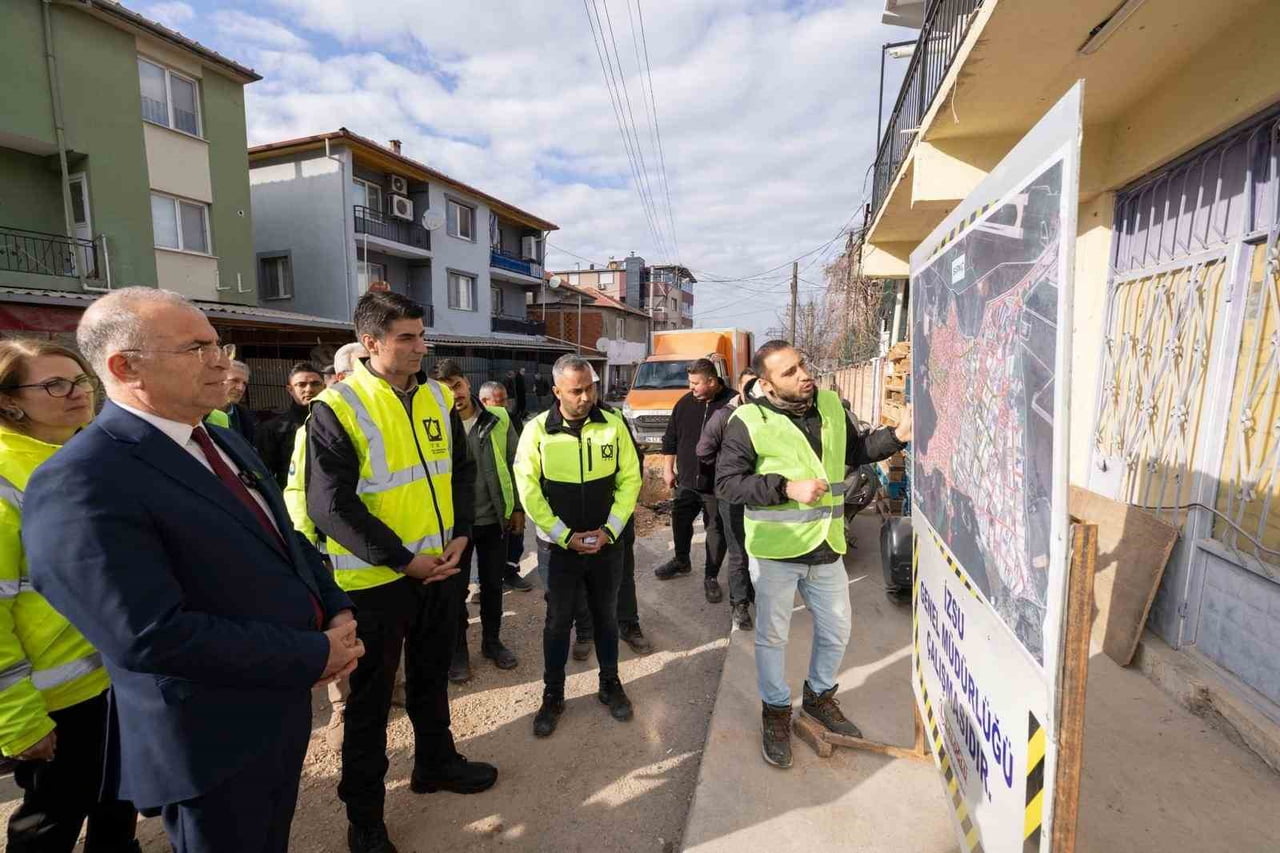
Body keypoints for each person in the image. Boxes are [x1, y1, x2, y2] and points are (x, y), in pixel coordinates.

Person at [22, 287, 362, 852]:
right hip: (210, 739)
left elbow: (285, 538)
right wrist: (311, 654)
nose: (222, 363)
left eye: (218, 346)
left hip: (275, 707)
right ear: (125, 366)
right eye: (197, 349)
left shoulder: (221, 439)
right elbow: (147, 633)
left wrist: (336, 606)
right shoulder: (81, 480)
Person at [304, 291, 493, 853]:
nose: (420, 346)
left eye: (421, 334)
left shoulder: (437, 396)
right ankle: (365, 818)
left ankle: (435, 764)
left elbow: (460, 472)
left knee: (432, 678)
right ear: (371, 343)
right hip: (375, 583)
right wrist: (404, 560)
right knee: (368, 704)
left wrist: (460, 534)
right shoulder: (337, 408)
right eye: (406, 338)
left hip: (440, 569)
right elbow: (330, 507)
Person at [715, 340, 911, 769]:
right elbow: (728, 484)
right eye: (790, 372)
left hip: (827, 545)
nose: (804, 374)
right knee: (772, 637)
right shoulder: (748, 420)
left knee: (837, 628)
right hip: (776, 553)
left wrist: (896, 437)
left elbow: (854, 451)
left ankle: (820, 698)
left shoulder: (830, 404)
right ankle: (776, 710)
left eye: (803, 365)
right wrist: (785, 487)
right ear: (767, 385)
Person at [0, 340, 140, 853]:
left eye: (81, 379)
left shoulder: (91, 455)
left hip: (118, 676)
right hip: (55, 700)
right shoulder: (7, 474)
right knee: (50, 823)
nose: (77, 392)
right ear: (9, 400)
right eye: (54, 384)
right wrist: (17, 717)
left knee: (119, 805)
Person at [282, 342, 407, 754]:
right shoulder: (318, 424)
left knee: (385, 645)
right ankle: (341, 707)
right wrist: (309, 550)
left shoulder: (384, 416)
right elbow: (302, 492)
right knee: (346, 635)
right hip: (340, 557)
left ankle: (393, 688)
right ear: (341, 377)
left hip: (387, 556)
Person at [514, 354, 641, 738]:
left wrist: (610, 530)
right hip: (559, 550)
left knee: (605, 615)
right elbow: (529, 491)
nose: (586, 396)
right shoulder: (537, 431)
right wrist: (565, 535)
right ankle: (553, 695)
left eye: (590, 387)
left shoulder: (613, 425)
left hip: (606, 544)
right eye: (576, 390)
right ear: (557, 391)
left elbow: (630, 480)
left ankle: (610, 684)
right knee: (557, 622)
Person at [430, 362, 522, 682]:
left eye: (456, 385)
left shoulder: (497, 419)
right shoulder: (435, 425)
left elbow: (515, 465)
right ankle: (458, 653)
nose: (453, 394)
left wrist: (518, 509)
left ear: (467, 383)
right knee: (454, 592)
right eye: (443, 389)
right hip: (454, 526)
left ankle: (492, 643)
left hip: (493, 519)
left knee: (493, 585)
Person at [655, 359, 735, 602]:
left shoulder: (733, 403)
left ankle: (710, 577)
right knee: (680, 520)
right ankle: (681, 560)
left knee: (715, 529)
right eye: (690, 383)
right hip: (687, 480)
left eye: (695, 383)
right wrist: (668, 470)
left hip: (717, 483)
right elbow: (670, 439)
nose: (691, 388)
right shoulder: (684, 404)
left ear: (711, 381)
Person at [697, 367, 759, 630]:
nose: (753, 392)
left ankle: (757, 595)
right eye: (748, 387)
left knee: (761, 549)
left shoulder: (769, 415)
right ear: (739, 389)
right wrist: (726, 470)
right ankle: (740, 604)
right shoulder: (725, 416)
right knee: (739, 551)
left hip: (762, 494)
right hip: (732, 495)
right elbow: (703, 450)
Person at [478, 380, 533, 592]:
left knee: (515, 534)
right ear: (484, 401)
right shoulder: (474, 423)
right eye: (498, 401)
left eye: (505, 400)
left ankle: (511, 572)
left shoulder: (510, 420)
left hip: (509, 492)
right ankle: (484, 583)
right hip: (485, 498)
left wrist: (519, 503)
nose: (504, 405)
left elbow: (516, 458)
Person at [256, 361, 325, 487]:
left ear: (324, 387)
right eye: (301, 385)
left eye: (315, 384)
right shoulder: (274, 428)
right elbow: (265, 472)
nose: (309, 389)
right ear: (290, 389)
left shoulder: (337, 423)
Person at [220, 359, 257, 444]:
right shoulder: (201, 414)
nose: (240, 388)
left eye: (244, 383)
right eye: (234, 380)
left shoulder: (245, 416)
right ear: (218, 380)